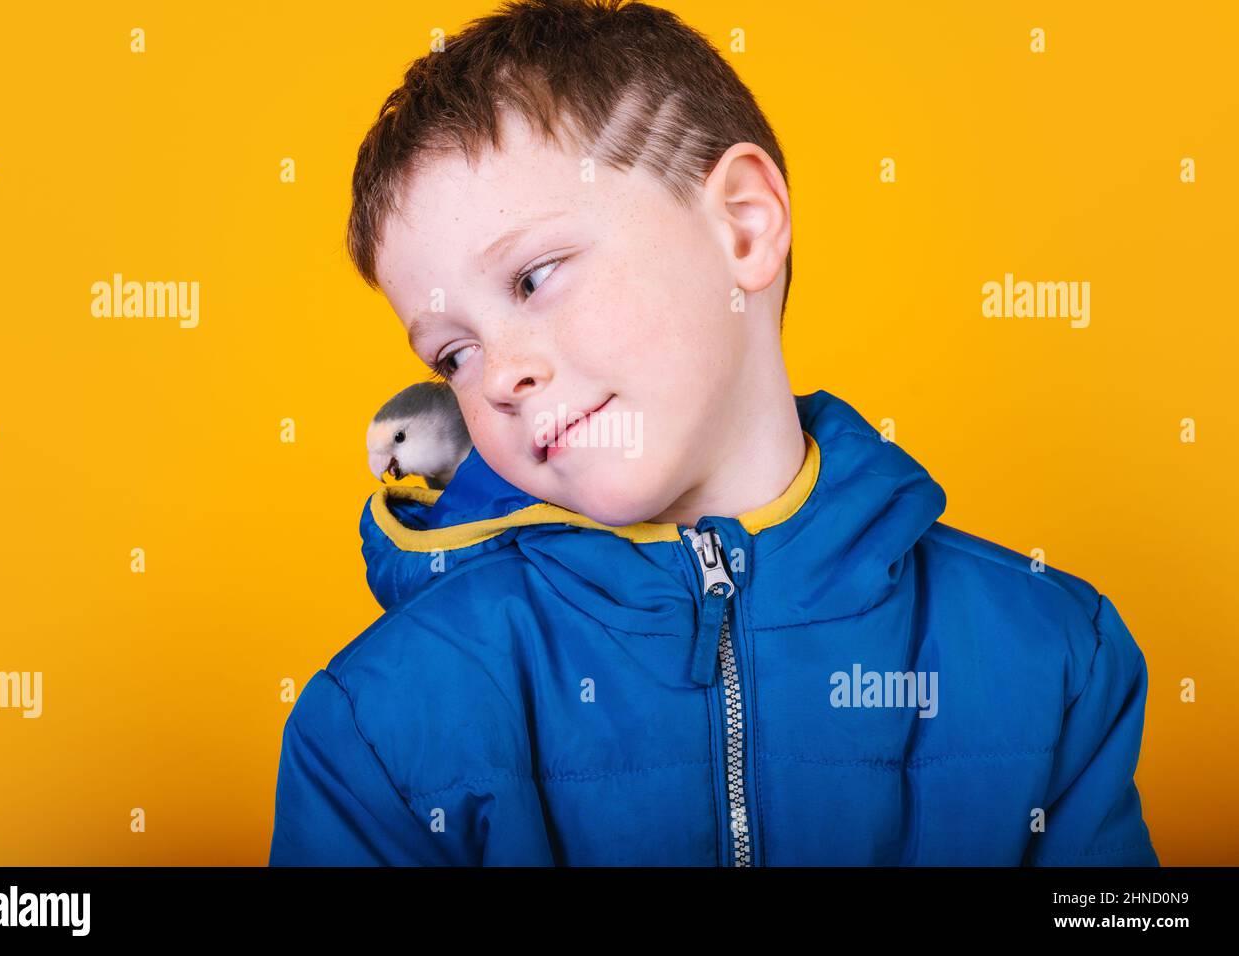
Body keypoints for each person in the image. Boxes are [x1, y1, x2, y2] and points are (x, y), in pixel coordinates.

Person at [268, 0, 1157, 865]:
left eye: (535, 278)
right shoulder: (373, 730)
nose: (499, 377)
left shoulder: (1055, 659)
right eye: (452, 354)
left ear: (743, 225)